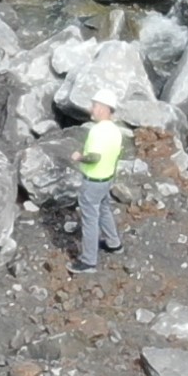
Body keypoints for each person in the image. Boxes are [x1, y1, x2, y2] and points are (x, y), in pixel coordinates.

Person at [69, 90, 125, 273]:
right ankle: (114, 243)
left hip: (93, 181)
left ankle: (88, 261)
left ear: (103, 108)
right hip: (107, 178)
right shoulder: (115, 131)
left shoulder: (97, 131)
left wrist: (79, 157)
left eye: (94, 105)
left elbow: (94, 157)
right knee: (104, 209)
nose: (91, 109)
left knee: (90, 219)